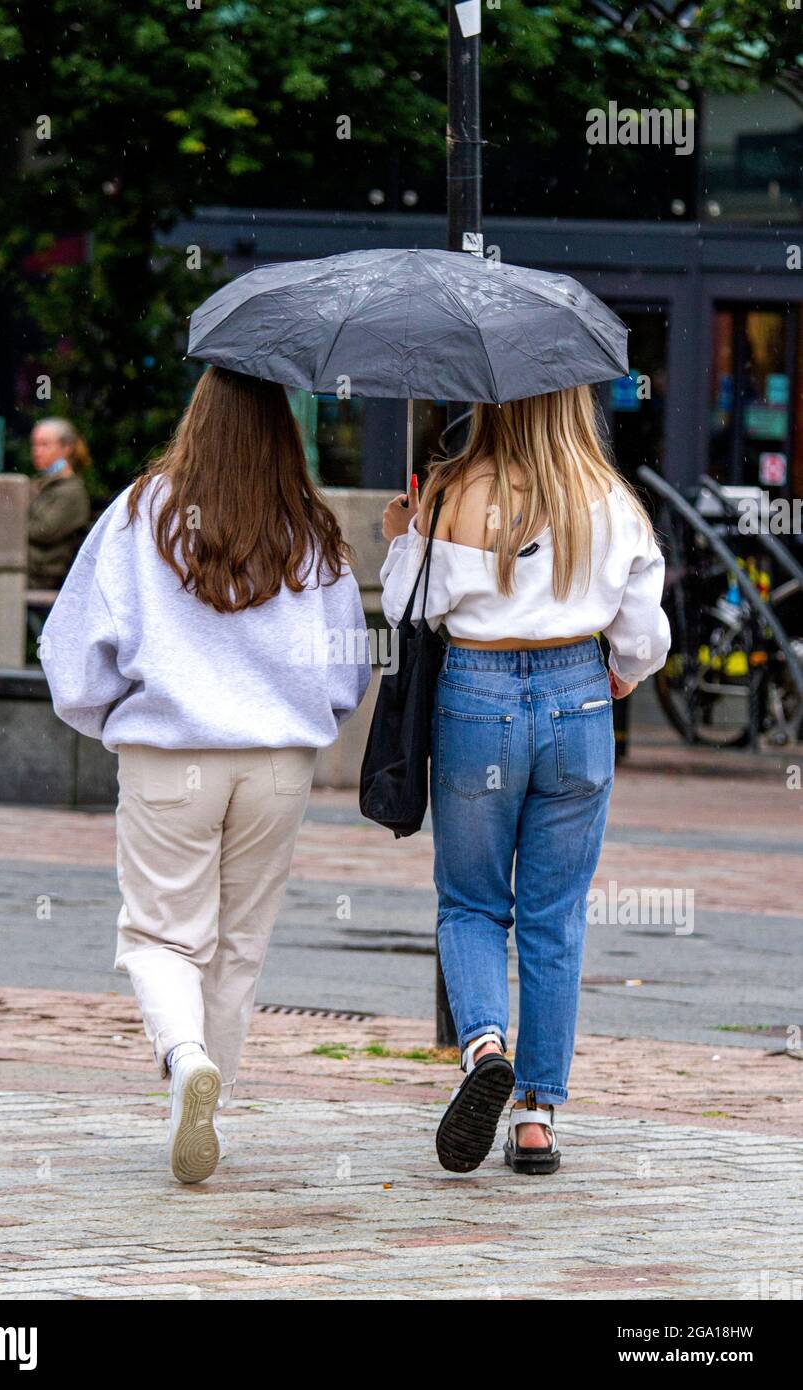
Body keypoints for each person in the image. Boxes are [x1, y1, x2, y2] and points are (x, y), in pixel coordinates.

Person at [40, 367, 370, 1185]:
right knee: (237, 947)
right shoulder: (309, 525)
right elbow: (347, 670)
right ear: (282, 431)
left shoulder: (141, 514)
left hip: (170, 754)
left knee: (158, 934)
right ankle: (203, 1108)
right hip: (277, 764)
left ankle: (185, 1059)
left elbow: (74, 657)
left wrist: (117, 718)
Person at [380, 385, 671, 1176]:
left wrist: (403, 535)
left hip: (476, 693)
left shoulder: (449, 489)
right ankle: (536, 1115)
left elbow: (408, 607)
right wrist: (618, 674)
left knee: (472, 900)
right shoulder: (609, 498)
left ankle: (482, 1046)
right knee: (554, 915)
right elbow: (644, 636)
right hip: (579, 695)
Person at [27, 418, 92, 588]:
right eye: (34, 445)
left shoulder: (71, 491)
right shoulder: (40, 484)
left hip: (42, 576)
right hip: (29, 569)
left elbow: (44, 531)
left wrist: (11, 524)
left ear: (66, 447)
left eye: (44, 445)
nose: (37, 451)